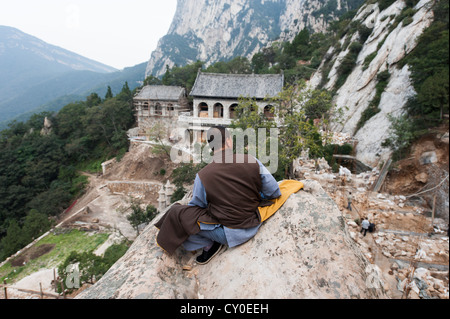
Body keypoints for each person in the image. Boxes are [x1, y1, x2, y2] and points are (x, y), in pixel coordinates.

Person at [155, 126, 284, 265]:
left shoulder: (204, 175)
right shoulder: (252, 160)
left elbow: (197, 206)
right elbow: (274, 191)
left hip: (227, 234)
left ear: (211, 146)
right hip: (254, 222)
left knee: (178, 212)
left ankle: (209, 245)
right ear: (228, 141)